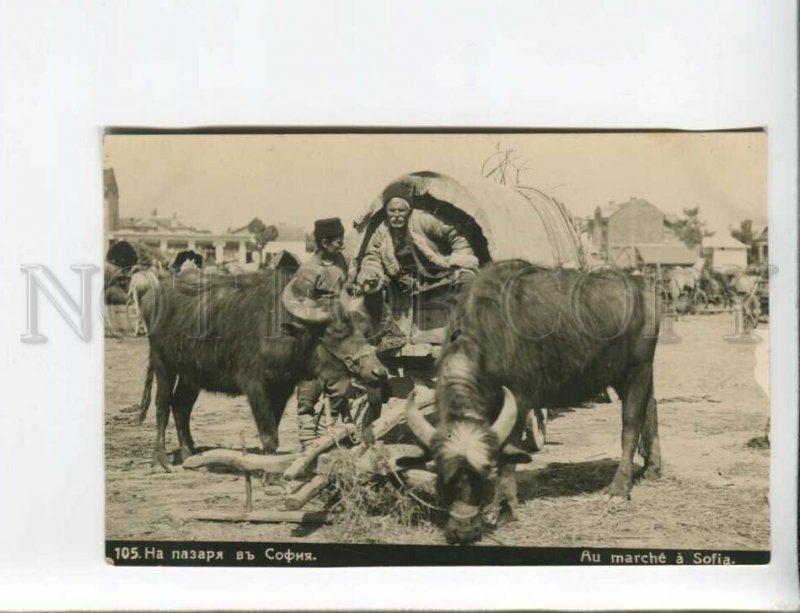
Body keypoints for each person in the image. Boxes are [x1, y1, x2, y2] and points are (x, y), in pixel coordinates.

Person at [353, 192, 479, 350]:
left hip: (439, 271)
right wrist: (371, 272)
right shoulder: (382, 230)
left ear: (409, 211)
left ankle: (462, 333)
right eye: (392, 211)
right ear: (386, 211)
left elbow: (456, 234)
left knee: (467, 281)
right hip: (404, 279)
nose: (397, 215)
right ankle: (391, 334)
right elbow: (372, 255)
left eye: (401, 211)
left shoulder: (423, 220)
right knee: (372, 287)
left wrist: (461, 259)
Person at [283, 217, 352, 450]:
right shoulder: (308, 271)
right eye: (337, 241)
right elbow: (299, 307)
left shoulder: (342, 260)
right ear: (323, 242)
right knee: (310, 388)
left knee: (340, 386)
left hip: (339, 334)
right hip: (315, 336)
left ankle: (326, 436)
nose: (341, 245)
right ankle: (307, 442)